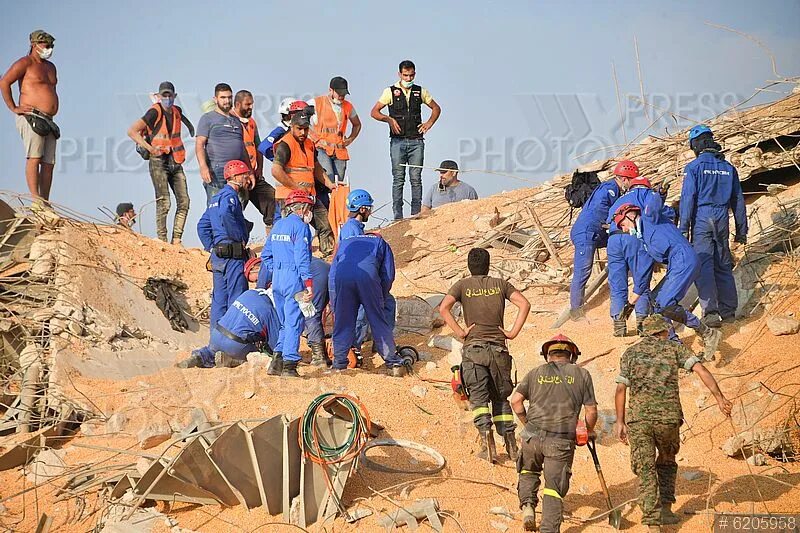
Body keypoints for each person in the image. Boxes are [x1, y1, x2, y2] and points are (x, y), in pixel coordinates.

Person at [614, 314, 732, 532]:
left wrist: (620, 421)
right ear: (664, 331)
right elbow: (701, 370)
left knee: (645, 466)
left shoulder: (630, 353)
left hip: (639, 419)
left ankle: (652, 521)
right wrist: (720, 398)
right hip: (668, 419)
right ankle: (666, 510)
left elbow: (621, 388)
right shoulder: (674, 349)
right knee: (667, 460)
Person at [440, 248, 531, 463]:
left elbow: (443, 308)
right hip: (499, 350)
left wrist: (461, 332)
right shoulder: (501, 284)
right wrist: (512, 332)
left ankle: (485, 440)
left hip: (474, 351)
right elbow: (525, 304)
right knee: (500, 397)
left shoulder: (462, 285)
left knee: (479, 398)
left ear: (469, 266)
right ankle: (510, 442)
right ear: (488, 265)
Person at [509, 334, 597, 533]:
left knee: (528, 471)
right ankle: (548, 529)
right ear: (572, 355)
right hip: (559, 440)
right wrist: (588, 432)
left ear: (547, 355)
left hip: (531, 436)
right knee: (553, 488)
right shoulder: (582, 375)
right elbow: (591, 411)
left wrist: (527, 423)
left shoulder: (534, 373)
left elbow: (515, 401)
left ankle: (528, 507)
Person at [613, 203, 722, 359]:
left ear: (631, 215)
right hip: (676, 264)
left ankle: (708, 333)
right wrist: (631, 303)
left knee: (666, 303)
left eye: (623, 224)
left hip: (684, 259)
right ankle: (675, 348)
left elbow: (654, 202)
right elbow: (644, 273)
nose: (623, 230)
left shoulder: (650, 220)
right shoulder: (643, 238)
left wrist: (660, 193)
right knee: (656, 302)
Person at [680, 125, 747, 327]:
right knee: (723, 265)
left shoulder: (693, 168)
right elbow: (738, 201)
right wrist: (742, 231)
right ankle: (729, 312)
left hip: (703, 217)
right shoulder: (728, 168)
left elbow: (687, 199)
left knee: (704, 267)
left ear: (695, 145)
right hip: (722, 219)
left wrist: (683, 228)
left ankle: (710, 313)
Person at [605, 167, 675, 336]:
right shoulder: (647, 194)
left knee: (617, 281)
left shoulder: (619, 200)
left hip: (614, 240)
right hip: (634, 237)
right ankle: (642, 323)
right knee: (641, 280)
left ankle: (619, 324)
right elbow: (662, 212)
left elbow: (609, 219)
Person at [370, 60, 442, 220]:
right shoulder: (390, 91)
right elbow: (374, 112)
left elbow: (436, 108)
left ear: (414, 74)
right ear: (399, 74)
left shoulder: (420, 91)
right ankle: (398, 216)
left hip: (417, 141)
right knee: (398, 178)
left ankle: (416, 214)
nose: (408, 78)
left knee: (416, 178)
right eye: (405, 75)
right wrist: (388, 119)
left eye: (411, 75)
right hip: (397, 141)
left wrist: (429, 123)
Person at [329, 233, 406, 376]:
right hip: (367, 277)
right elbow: (388, 274)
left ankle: (339, 364)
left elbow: (333, 274)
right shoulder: (380, 242)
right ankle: (393, 362)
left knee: (343, 322)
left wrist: (334, 301)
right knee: (378, 320)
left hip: (342, 277)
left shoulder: (345, 241)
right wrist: (380, 297)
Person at [127, 81, 193, 244]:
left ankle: (176, 239)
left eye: (170, 95)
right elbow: (132, 131)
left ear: (174, 96)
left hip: (175, 160)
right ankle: (162, 239)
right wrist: (150, 149)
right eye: (164, 95)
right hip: (158, 160)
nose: (167, 98)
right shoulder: (154, 112)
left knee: (184, 201)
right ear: (159, 96)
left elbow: (189, 126)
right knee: (164, 201)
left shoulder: (177, 112)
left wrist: (192, 131)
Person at [569, 161, 635, 317]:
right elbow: (601, 211)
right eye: (631, 180)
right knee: (583, 270)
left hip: (594, 233)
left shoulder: (612, 189)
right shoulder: (610, 190)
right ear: (625, 179)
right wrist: (612, 223)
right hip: (587, 233)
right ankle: (575, 310)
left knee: (621, 241)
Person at [0, 30, 59, 204]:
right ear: (35, 45)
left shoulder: (51, 67)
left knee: (49, 163)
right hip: (31, 116)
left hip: (49, 119)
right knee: (35, 157)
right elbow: (4, 82)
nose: (49, 49)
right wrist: (13, 107)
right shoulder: (24, 63)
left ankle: (45, 203)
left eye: (51, 46)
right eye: (46, 45)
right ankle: (36, 201)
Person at [262, 190, 316, 378]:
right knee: (295, 322)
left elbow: (265, 255)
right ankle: (290, 365)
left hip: (278, 280)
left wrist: (277, 270)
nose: (310, 212)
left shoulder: (277, 226)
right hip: (294, 280)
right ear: (302, 208)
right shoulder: (301, 228)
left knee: (285, 322)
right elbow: (302, 259)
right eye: (309, 207)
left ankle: (276, 362)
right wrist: (308, 283)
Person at [197, 160, 252, 329]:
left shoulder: (216, 198)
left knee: (219, 300)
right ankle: (233, 340)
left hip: (218, 256)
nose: (246, 179)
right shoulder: (230, 197)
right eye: (244, 176)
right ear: (235, 177)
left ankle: (216, 341)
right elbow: (225, 215)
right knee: (237, 297)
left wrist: (212, 246)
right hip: (232, 255)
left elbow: (202, 226)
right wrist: (239, 240)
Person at [272, 112, 336, 256]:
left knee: (325, 224)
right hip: (290, 199)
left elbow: (316, 167)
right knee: (296, 232)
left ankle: (330, 256)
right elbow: (276, 170)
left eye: (306, 128)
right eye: (299, 128)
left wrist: (330, 184)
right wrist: (297, 188)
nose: (303, 132)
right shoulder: (285, 144)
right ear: (292, 127)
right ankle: (296, 261)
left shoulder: (309, 144)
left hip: (309, 196)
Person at [256, 255, 331, 368]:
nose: (254, 280)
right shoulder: (286, 254)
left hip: (313, 275)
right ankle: (323, 354)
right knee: (314, 313)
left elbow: (260, 291)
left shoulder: (267, 261)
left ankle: (319, 357)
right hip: (326, 270)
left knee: (310, 314)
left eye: (251, 278)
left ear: (253, 269)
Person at [177, 288, 281, 369]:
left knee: (211, 350)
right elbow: (277, 345)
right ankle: (232, 361)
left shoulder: (249, 293)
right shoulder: (270, 310)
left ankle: (199, 356)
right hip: (236, 345)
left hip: (216, 334)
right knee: (256, 355)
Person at [309, 76, 361, 209]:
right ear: (331, 90)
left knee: (339, 186)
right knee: (328, 179)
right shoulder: (317, 103)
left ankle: (337, 212)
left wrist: (350, 139)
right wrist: (314, 138)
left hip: (339, 151)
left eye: (344, 93)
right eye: (339, 93)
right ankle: (326, 211)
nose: (342, 96)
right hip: (322, 148)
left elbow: (357, 124)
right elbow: (300, 118)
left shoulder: (348, 106)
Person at [196, 83, 249, 202]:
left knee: (238, 207)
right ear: (215, 99)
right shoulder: (207, 118)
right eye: (223, 97)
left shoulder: (236, 120)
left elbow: (242, 146)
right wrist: (203, 167)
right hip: (217, 171)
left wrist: (249, 171)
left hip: (237, 172)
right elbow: (199, 144)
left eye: (229, 97)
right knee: (217, 207)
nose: (227, 101)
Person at [233, 89, 275, 227]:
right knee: (235, 209)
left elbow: (259, 147)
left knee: (272, 199)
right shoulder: (229, 121)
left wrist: (260, 171)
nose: (251, 107)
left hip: (253, 174)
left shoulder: (252, 123)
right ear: (238, 104)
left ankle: (272, 237)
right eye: (247, 104)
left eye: (252, 104)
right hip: (237, 176)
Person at [258, 97, 298, 161]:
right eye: (285, 116)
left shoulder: (302, 130)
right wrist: (279, 160)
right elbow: (263, 147)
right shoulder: (281, 130)